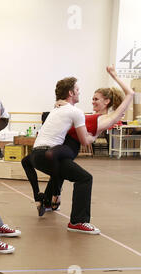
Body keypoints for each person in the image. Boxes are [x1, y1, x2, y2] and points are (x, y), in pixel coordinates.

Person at [22, 66, 133, 218]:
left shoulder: (108, 118)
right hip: (58, 148)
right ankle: (50, 202)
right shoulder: (86, 115)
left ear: (107, 101)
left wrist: (114, 75)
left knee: (80, 176)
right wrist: (62, 104)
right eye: (92, 98)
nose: (92, 101)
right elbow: (71, 117)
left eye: (96, 99)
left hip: (65, 148)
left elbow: (130, 94)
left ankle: (65, 211)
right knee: (60, 170)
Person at [27, 75, 99, 234]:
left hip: (35, 155)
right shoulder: (76, 112)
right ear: (71, 93)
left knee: (60, 169)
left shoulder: (56, 109)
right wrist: (95, 136)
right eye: (78, 90)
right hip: (47, 154)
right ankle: (78, 222)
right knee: (84, 178)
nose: (80, 93)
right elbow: (84, 141)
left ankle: (47, 202)